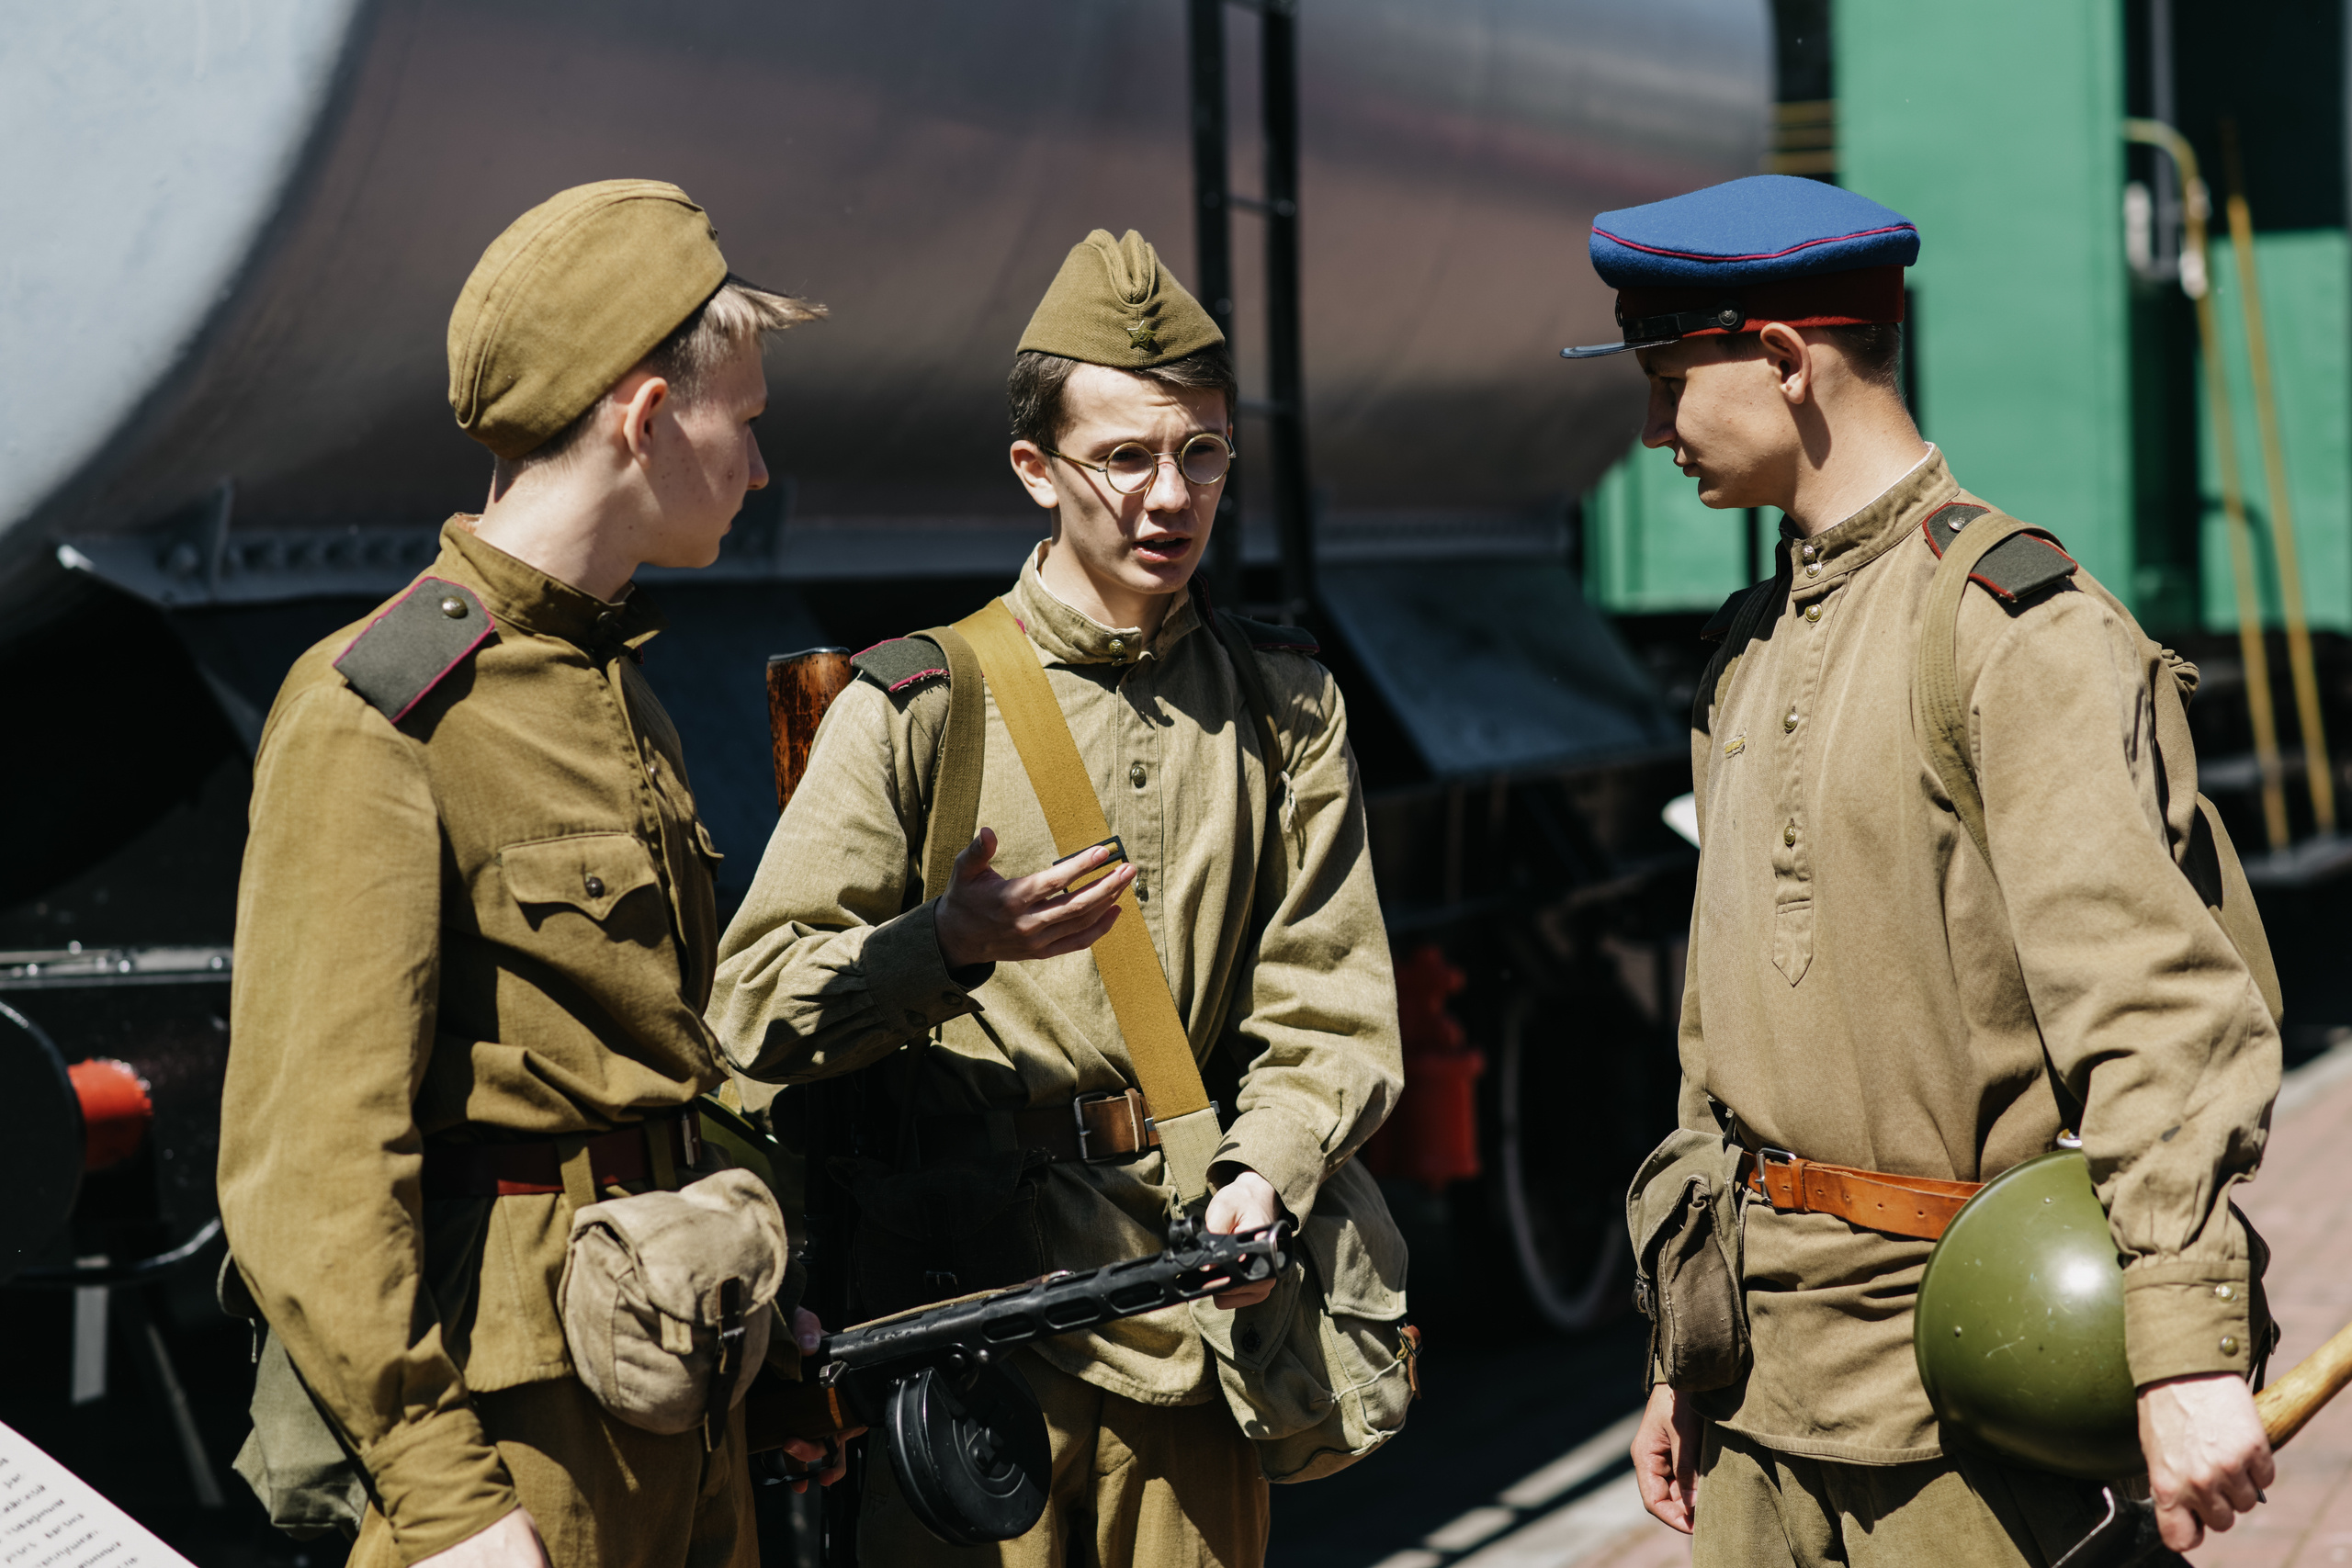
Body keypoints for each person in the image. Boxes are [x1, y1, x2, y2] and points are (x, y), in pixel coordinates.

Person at [1566, 175, 2282, 1565]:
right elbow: (1724, 1036)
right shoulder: (1752, 641)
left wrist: (2184, 1348)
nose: (1653, 429)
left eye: (1668, 381)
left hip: (1970, 1391)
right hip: (1761, 1397)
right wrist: (1686, 1349)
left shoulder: (2016, 631)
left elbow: (2152, 1006)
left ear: (1785, 360)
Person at [707, 229, 1404, 1567]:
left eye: (1203, 453)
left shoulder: (1283, 705)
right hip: (967, 1320)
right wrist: (941, 945)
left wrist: (1267, 1171)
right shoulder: (917, 703)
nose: (1170, 496)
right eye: (1124, 458)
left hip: (1195, 1309)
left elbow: (1330, 1000)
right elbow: (752, 1008)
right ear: (1036, 470)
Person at [218, 179, 842, 1568]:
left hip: (677, 1378)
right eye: (741, 423)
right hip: (520, 1449)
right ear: (644, 416)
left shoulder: (612, 682)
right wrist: (449, 1505)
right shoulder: (386, 711)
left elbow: (662, 1067)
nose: (754, 469)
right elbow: (308, 1173)